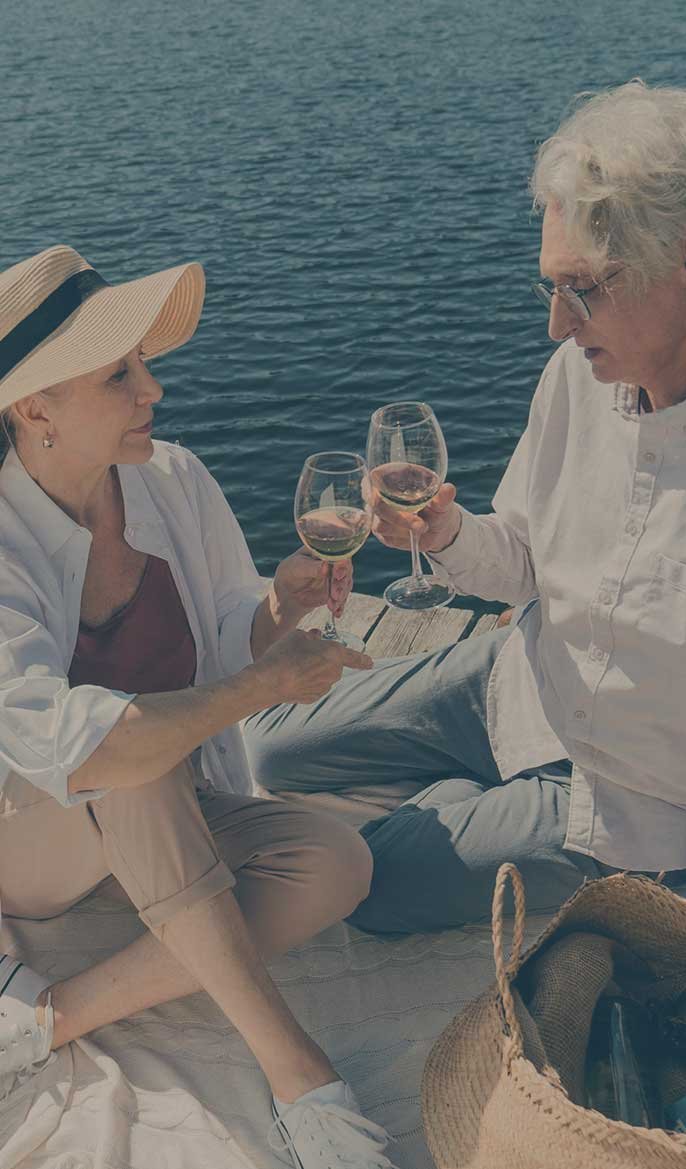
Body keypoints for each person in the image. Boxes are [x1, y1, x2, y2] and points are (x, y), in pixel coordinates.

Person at [244, 80, 686, 975]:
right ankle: (467, 800)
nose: (555, 323)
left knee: (360, 885)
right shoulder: (579, 374)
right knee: (262, 740)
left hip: (629, 800)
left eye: (582, 289)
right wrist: (448, 527)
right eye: (552, 287)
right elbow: (524, 557)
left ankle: (488, 824)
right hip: (518, 688)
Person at [0, 246, 399, 1169]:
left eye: (143, 364)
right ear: (34, 408)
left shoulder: (171, 478)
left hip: (153, 802)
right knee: (124, 744)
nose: (155, 391)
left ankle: (55, 1014)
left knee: (336, 862)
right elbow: (77, 744)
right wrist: (266, 686)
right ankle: (299, 1073)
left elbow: (221, 638)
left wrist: (279, 608)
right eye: (120, 375)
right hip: (28, 835)